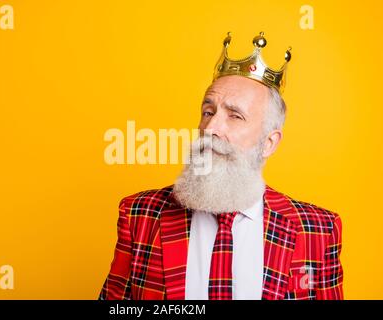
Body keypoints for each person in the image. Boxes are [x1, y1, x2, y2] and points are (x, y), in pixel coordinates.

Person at [99, 32, 343, 300]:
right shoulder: (140, 215)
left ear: (269, 143)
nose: (211, 128)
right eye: (208, 112)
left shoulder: (318, 229)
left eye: (235, 116)